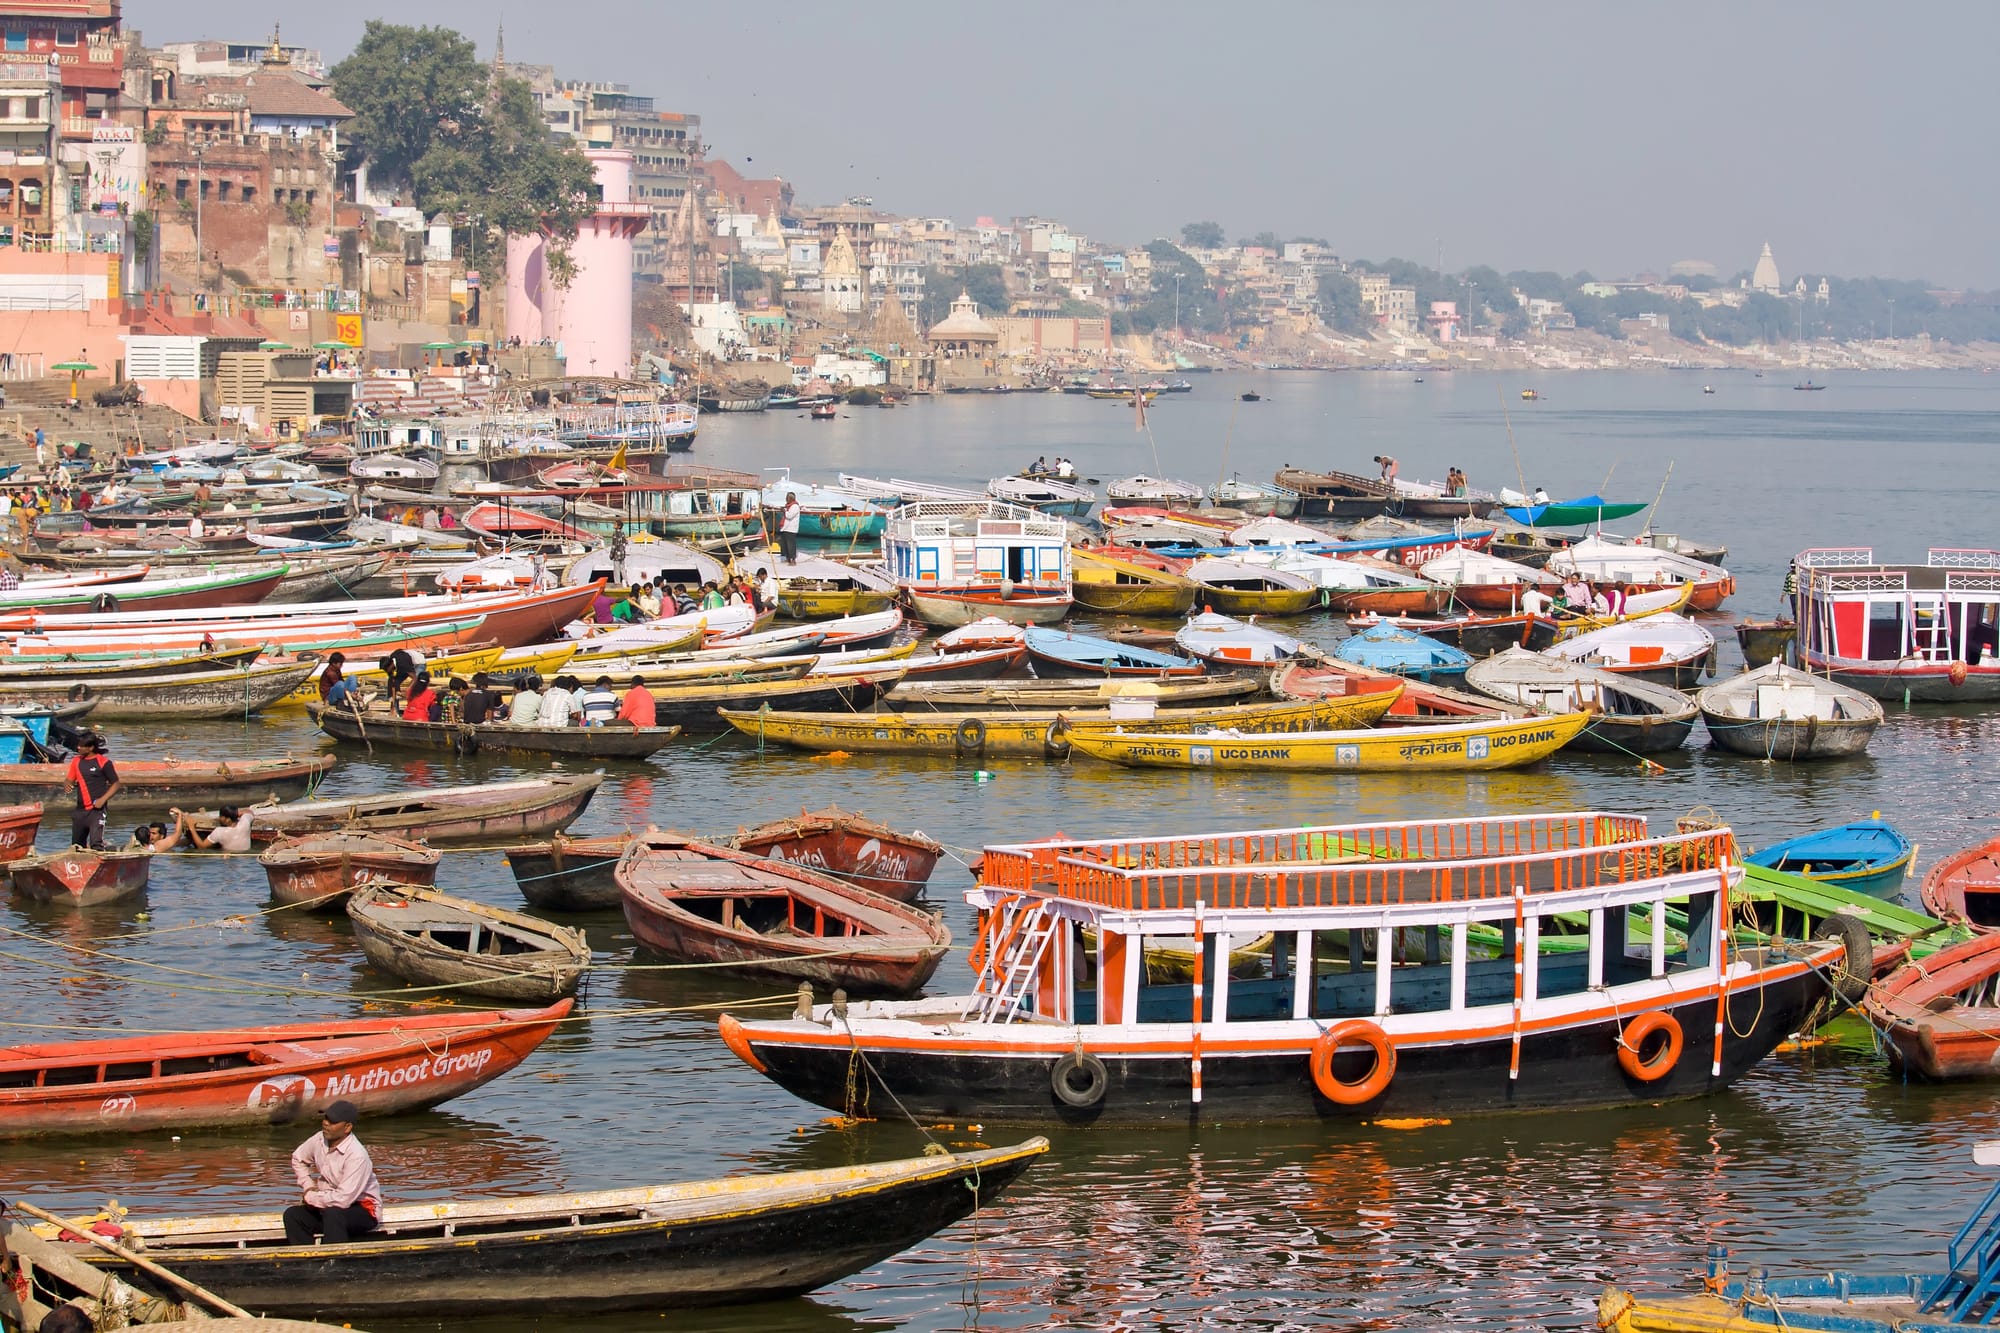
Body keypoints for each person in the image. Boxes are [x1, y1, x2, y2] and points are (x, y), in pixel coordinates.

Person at [282, 1100, 381, 1246]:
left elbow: (343, 1199)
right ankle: (307, 1257)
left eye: (333, 1122)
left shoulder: (357, 1155)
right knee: (292, 1215)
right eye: (326, 1118)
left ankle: (334, 1259)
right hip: (328, 1205)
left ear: (347, 1127)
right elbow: (298, 1159)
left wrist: (311, 1197)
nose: (326, 1124)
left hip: (362, 1209)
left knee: (334, 1214)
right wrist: (308, 1186)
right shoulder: (319, 1139)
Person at [66, 732, 119, 850]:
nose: (78, 748)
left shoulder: (103, 762)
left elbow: (116, 784)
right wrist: (67, 784)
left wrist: (103, 800)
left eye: (81, 746)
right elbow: (69, 779)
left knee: (96, 844)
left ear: (90, 748)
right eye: (78, 745)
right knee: (77, 846)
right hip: (80, 811)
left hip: (96, 811)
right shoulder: (76, 761)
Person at [165, 804, 255, 854]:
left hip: (228, 859)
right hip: (245, 858)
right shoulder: (245, 823)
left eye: (221, 816)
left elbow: (202, 847)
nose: (219, 818)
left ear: (227, 819)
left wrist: (192, 828)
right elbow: (249, 812)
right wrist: (235, 813)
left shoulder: (220, 832)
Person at [778, 494, 802, 563]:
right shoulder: (788, 506)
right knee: (784, 545)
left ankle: (792, 559)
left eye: (787, 498)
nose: (786, 499)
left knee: (790, 545)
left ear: (791, 499)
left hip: (791, 529)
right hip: (785, 528)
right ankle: (787, 558)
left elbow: (789, 516)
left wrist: (784, 511)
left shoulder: (795, 506)